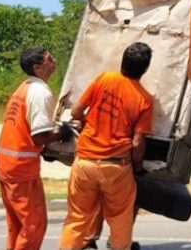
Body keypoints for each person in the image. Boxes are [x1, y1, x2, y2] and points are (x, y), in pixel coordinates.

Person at [59, 42, 154, 250]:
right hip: (116, 167)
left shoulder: (105, 78)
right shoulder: (145, 99)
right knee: (120, 218)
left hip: (85, 162)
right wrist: (137, 167)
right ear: (145, 69)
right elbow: (138, 142)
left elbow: (75, 112)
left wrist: (85, 121)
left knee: (78, 216)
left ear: (123, 61)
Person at [0, 47, 71, 250]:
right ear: (38, 68)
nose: (54, 61)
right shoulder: (40, 92)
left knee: (17, 225)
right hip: (20, 168)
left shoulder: (25, 87)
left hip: (8, 163)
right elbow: (39, 137)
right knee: (33, 225)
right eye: (49, 59)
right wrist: (61, 135)